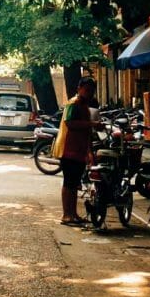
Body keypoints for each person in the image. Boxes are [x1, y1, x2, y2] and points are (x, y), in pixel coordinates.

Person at [58, 76, 102, 226]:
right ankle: (66, 215)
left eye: (92, 90)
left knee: (75, 183)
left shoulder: (84, 106)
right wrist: (92, 123)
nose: (89, 93)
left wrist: (89, 151)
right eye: (87, 90)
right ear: (79, 89)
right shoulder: (73, 103)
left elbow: (87, 132)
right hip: (69, 149)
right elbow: (69, 123)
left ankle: (73, 214)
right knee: (69, 182)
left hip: (79, 150)